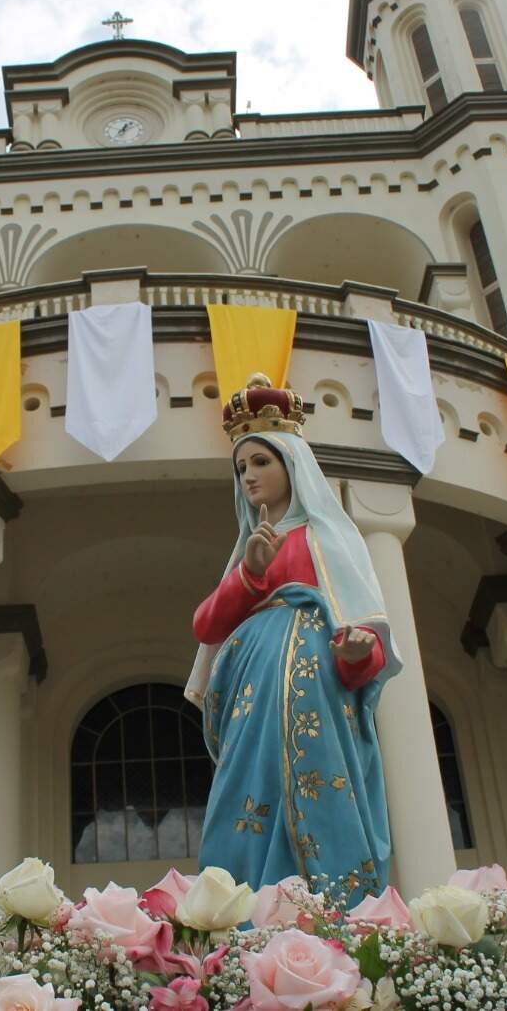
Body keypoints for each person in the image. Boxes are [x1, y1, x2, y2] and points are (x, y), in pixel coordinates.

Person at [187, 374, 401, 904]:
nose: (249, 476)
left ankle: (330, 910)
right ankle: (238, 911)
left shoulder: (327, 537)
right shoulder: (251, 547)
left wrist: (356, 653)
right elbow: (207, 626)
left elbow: (367, 643)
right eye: (241, 468)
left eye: (261, 461)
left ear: (291, 463)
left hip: (319, 698)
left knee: (319, 795)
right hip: (250, 695)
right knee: (243, 795)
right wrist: (249, 574)